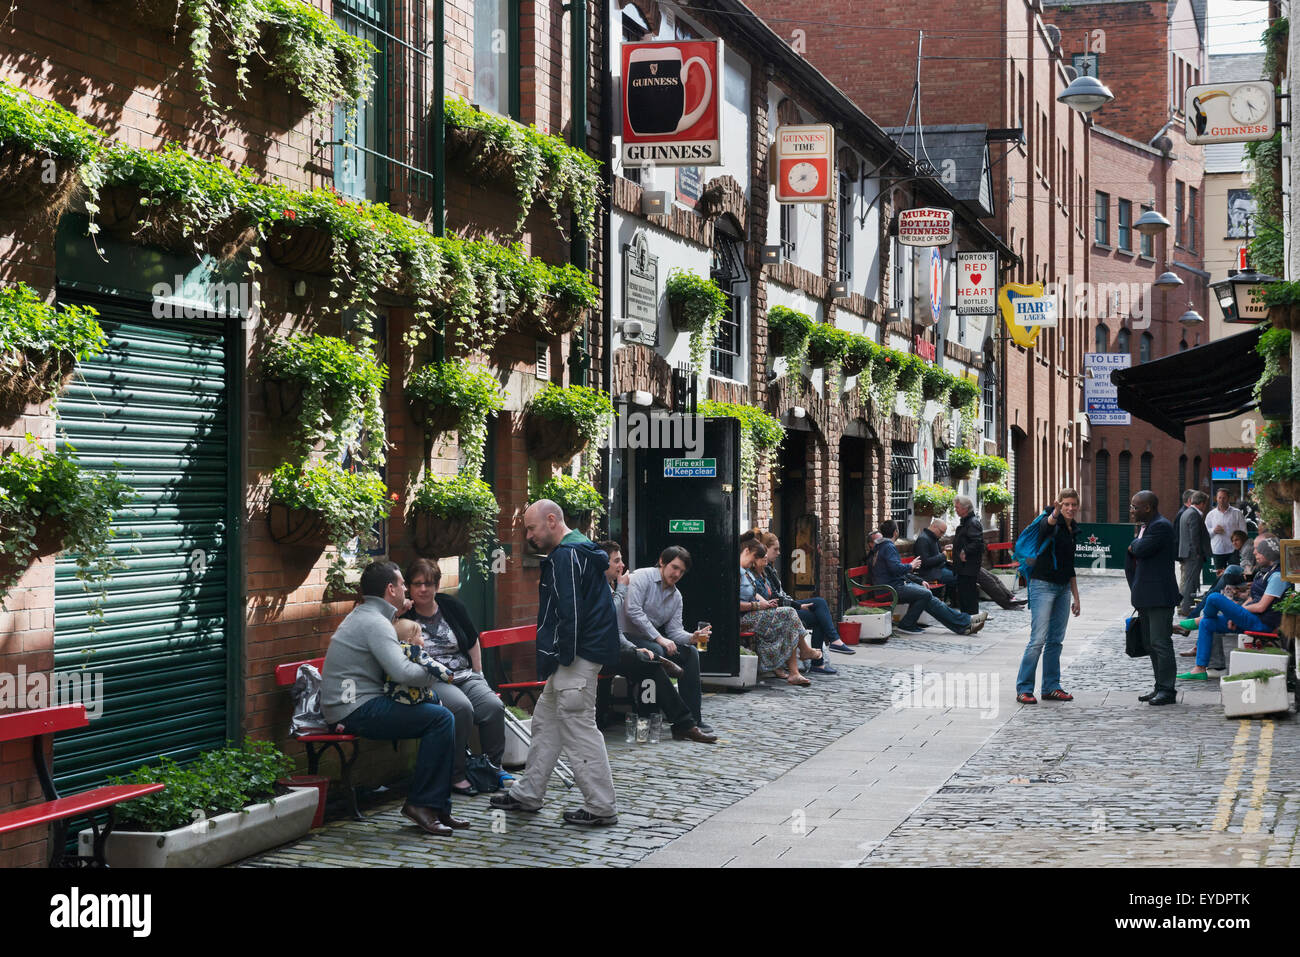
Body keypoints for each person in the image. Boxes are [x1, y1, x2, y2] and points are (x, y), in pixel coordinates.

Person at [490, 500, 621, 826]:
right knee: (546, 723)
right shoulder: (582, 551)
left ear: (552, 520)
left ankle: (601, 806)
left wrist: (559, 657)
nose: (530, 536)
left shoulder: (566, 555)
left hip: (575, 659)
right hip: (579, 658)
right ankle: (528, 793)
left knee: (579, 729)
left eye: (532, 528)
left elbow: (569, 613)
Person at [321, 560, 466, 836]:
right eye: (402, 584)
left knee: (439, 709)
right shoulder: (375, 622)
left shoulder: (368, 615)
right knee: (441, 719)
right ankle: (422, 805)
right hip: (352, 710)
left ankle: (437, 806)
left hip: (355, 703)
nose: (406, 589)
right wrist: (436, 673)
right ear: (391, 589)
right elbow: (401, 672)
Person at [400, 558, 507, 797]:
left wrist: (479, 675)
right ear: (408, 587)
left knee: (493, 706)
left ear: (437, 585)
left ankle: (492, 767)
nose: (423, 589)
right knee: (461, 708)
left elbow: (471, 640)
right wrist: (398, 612)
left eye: (428, 583)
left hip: (465, 674)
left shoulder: (451, 606)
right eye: (417, 584)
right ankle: (456, 774)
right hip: (432, 680)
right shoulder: (404, 616)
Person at [596, 541, 716, 743]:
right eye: (674, 567)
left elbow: (674, 631)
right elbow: (632, 611)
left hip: (639, 641)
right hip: (626, 636)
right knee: (654, 651)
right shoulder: (640, 578)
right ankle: (651, 716)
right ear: (662, 562)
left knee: (690, 653)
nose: (677, 574)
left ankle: (693, 718)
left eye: (682, 571)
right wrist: (659, 639)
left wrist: (691, 638)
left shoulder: (676, 596)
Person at [1179, 537, 1288, 680]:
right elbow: (1252, 598)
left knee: (1214, 598)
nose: (1255, 553)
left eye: (1259, 551)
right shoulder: (1264, 572)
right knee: (1207, 624)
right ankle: (1199, 669)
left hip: (1263, 624)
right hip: (1253, 619)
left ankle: (1199, 619)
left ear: (1269, 555)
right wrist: (1235, 614)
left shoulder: (1277, 576)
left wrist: (1239, 612)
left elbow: (1261, 607)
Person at [1015, 489, 1082, 705]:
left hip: (1062, 588)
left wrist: (1076, 597)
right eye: (1066, 505)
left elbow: (1069, 566)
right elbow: (1048, 526)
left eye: (1074, 504)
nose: (1070, 508)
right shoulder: (1049, 519)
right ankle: (1024, 688)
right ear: (1059, 505)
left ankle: (1051, 687)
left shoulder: (1073, 529)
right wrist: (1054, 512)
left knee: (1056, 640)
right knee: (1038, 639)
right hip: (1042, 585)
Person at [753, 530, 855, 669]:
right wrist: (797, 606)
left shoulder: (769, 568)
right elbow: (775, 598)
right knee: (819, 613)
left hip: (783, 606)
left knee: (819, 603)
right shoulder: (761, 570)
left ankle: (829, 648)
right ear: (765, 549)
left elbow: (779, 595)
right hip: (777, 610)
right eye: (775, 549)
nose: (778, 553)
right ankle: (824, 654)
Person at [872, 520, 986, 636]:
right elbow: (896, 569)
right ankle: (907, 624)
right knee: (925, 594)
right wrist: (911, 566)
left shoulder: (882, 545)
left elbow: (897, 571)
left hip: (891, 587)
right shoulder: (888, 547)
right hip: (889, 589)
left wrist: (920, 581)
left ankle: (963, 623)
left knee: (926, 595)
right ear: (896, 532)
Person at [1126, 491, 1181, 706]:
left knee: (1160, 642)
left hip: (1159, 596)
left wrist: (1134, 546)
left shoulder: (1161, 526)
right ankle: (1159, 686)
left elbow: (1139, 549)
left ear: (1147, 508)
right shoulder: (1145, 527)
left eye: (1134, 506)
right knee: (1149, 643)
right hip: (1146, 596)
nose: (1131, 510)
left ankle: (1167, 690)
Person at [739, 540, 819, 686]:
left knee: (789, 619)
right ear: (746, 552)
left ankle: (795, 672)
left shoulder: (746, 573)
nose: (752, 565)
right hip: (742, 619)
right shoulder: (736, 572)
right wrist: (758, 605)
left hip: (753, 613)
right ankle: (804, 653)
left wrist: (767, 604)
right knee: (789, 613)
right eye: (753, 560)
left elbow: (754, 594)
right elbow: (733, 604)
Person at [1177, 491, 1212, 618]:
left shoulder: (1187, 512)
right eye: (1205, 503)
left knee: (1189, 580)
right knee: (1190, 581)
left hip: (1188, 553)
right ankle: (1187, 608)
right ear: (1202, 503)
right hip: (1192, 554)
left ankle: (1187, 606)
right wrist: (1197, 553)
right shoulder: (1193, 514)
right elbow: (1194, 536)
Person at [951, 496, 985, 615]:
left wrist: (964, 551)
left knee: (968, 595)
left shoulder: (972, 522)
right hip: (964, 567)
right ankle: (967, 619)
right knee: (964, 594)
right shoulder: (966, 522)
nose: (955, 509)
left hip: (968, 566)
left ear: (966, 508)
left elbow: (978, 542)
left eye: (957, 507)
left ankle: (971, 619)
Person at [1205, 488, 1247, 572]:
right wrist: (1214, 530)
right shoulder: (1211, 515)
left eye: (1224, 498)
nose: (1221, 500)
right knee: (1220, 576)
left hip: (1233, 550)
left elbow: (1244, 532)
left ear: (1228, 498)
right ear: (1216, 498)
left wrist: (1240, 545)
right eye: (1219, 498)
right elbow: (1205, 534)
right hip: (1218, 549)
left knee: (1234, 574)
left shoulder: (1237, 513)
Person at [913, 519, 956, 589]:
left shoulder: (933, 537)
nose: (942, 535)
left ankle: (952, 598)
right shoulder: (923, 539)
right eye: (941, 532)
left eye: (943, 533)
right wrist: (943, 555)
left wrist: (945, 551)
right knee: (960, 577)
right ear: (934, 527)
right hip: (930, 574)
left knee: (963, 573)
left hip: (938, 570)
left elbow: (936, 555)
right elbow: (925, 562)